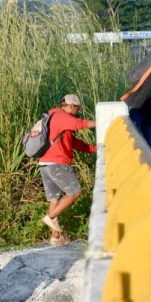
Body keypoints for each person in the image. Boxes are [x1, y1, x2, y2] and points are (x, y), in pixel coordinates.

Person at [38, 94, 96, 245]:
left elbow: (75, 143)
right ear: (71, 106)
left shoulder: (54, 118)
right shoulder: (60, 116)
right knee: (74, 191)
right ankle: (50, 217)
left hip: (45, 163)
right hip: (57, 162)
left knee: (55, 198)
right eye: (77, 108)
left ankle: (55, 237)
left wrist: (95, 148)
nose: (78, 111)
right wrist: (101, 123)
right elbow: (79, 124)